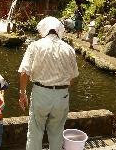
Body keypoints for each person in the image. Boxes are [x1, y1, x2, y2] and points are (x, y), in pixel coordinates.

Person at [18, 16, 79, 150]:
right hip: (62, 95)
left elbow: (24, 72)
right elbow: (73, 77)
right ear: (59, 30)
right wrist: (61, 89)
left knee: (35, 132)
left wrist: (22, 93)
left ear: (44, 30)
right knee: (57, 132)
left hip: (41, 93)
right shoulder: (69, 49)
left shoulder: (35, 46)